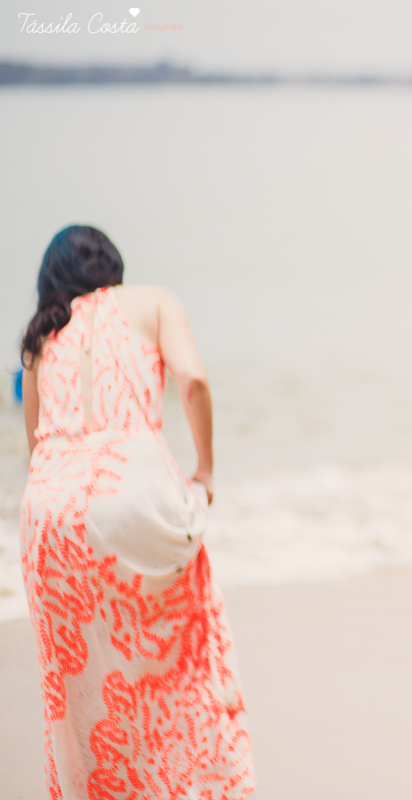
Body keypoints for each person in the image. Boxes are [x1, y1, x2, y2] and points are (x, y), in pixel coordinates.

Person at [19, 226, 255, 799]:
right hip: (131, 491)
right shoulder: (153, 299)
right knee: (181, 653)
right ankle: (195, 784)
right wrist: (206, 470)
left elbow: (36, 450)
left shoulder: (41, 337)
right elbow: (193, 380)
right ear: (112, 268)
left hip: (48, 514)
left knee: (78, 687)